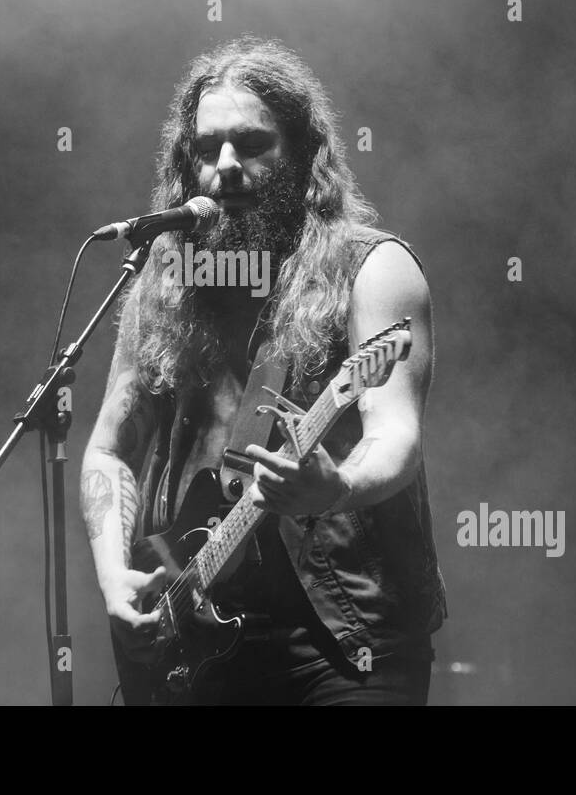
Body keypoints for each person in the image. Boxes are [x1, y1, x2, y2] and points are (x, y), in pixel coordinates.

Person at [79, 36, 447, 705]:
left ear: (303, 154)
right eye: (207, 147)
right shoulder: (165, 284)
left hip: (344, 640)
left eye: (252, 144)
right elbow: (109, 449)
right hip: (198, 647)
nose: (226, 166)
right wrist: (112, 576)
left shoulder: (372, 268)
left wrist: (334, 487)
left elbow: (396, 435)